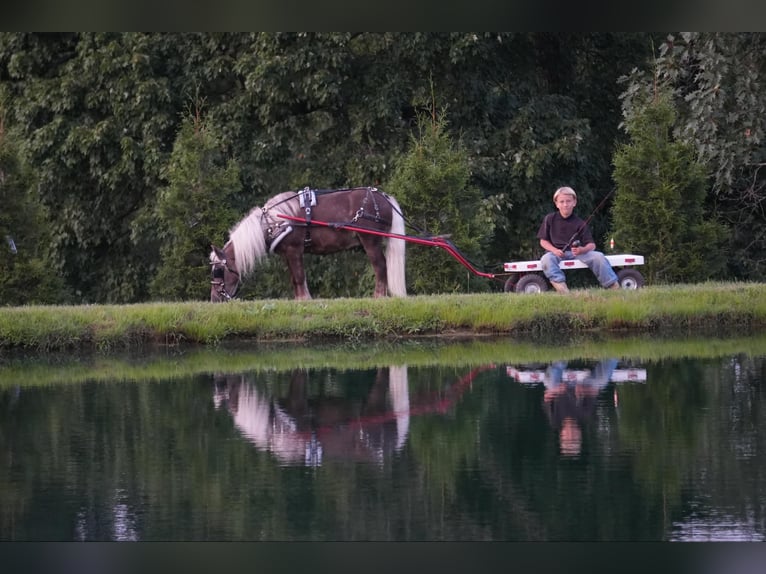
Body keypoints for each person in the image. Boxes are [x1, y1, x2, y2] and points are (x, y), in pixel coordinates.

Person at [536, 186, 619, 292]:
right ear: (556, 204)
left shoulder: (580, 222)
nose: (565, 204)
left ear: (574, 202)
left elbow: (591, 245)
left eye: (568, 201)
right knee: (546, 259)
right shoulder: (549, 219)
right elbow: (543, 241)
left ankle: (613, 286)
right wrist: (554, 250)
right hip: (555, 253)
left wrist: (582, 250)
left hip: (577, 253)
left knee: (598, 256)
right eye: (561, 202)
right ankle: (562, 289)